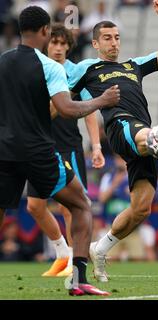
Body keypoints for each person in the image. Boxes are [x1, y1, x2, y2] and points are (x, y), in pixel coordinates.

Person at [69, 0, 158, 282]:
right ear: (95, 43)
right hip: (120, 126)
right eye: (107, 38)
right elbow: (60, 94)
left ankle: (99, 248)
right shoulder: (87, 68)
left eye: (116, 38)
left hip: (142, 136)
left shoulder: (133, 65)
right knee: (155, 136)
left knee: (141, 209)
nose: (114, 43)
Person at [0, 6, 120, 295]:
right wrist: (101, 100)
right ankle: (78, 279)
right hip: (39, 152)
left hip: (4, 151)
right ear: (44, 31)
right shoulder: (50, 67)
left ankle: (62, 256)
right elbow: (67, 109)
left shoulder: (2, 62)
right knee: (80, 205)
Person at [25, 23, 105, 278]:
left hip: (68, 147)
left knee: (72, 208)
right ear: (46, 43)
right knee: (34, 206)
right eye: (54, 43)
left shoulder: (75, 72)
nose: (58, 48)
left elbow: (89, 111)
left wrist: (96, 146)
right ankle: (62, 253)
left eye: (63, 44)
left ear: (69, 46)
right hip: (41, 148)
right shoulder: (38, 70)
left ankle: (75, 260)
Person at [98, 154, 156, 261]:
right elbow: (102, 198)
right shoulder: (108, 177)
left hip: (133, 227)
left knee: (138, 258)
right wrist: (115, 183)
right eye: (117, 158)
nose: (120, 161)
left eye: (122, 158)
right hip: (112, 226)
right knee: (111, 258)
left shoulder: (136, 176)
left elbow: (145, 199)